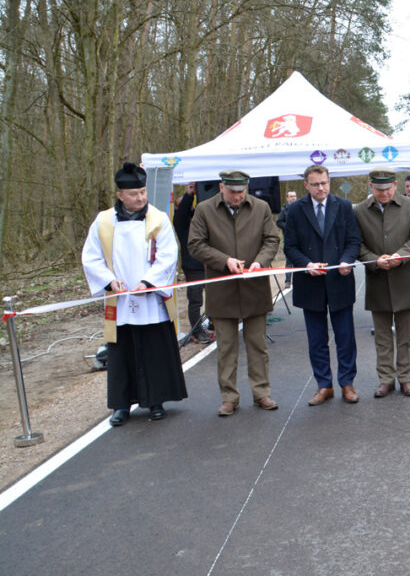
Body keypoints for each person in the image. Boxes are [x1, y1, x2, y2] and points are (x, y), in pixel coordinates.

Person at [81, 162, 188, 426]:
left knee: (153, 349)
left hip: (149, 298)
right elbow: (91, 257)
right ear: (120, 195)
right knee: (121, 351)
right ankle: (121, 405)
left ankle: (155, 401)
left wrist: (148, 282)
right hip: (120, 298)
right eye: (133, 194)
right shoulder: (104, 221)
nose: (140, 197)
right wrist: (109, 281)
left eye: (142, 192)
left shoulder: (158, 218)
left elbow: (168, 255)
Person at [188, 170, 280, 416]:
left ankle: (261, 392)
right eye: (233, 192)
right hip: (222, 289)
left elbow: (272, 239)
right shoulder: (205, 210)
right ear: (221, 188)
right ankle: (229, 397)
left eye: (242, 192)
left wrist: (260, 262)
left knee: (257, 345)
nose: (238, 197)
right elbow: (195, 244)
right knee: (226, 347)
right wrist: (224, 260)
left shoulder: (261, 207)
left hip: (255, 288)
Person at [284, 166, 363, 405]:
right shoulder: (295, 210)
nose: (321, 188)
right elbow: (290, 247)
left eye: (325, 183)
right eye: (316, 184)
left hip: (339, 280)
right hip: (311, 283)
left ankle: (347, 383)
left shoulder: (344, 206)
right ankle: (324, 385)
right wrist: (306, 264)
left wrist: (347, 260)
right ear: (306, 185)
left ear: (330, 182)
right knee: (316, 339)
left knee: (345, 336)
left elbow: (353, 240)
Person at [354, 169, 410, 396]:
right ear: (371, 187)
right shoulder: (360, 211)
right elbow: (357, 244)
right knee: (383, 336)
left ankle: (406, 378)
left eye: (387, 189)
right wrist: (374, 261)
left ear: (395, 185)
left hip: (404, 278)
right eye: (378, 189)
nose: (383, 193)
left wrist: (400, 256)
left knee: (405, 334)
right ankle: (386, 378)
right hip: (377, 281)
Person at [173, 182, 213, 343]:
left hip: (209, 263)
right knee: (196, 300)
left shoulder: (200, 218)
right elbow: (183, 212)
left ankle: (214, 323)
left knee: (215, 295)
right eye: (181, 202)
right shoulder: (181, 223)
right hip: (193, 266)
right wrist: (189, 195)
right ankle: (197, 331)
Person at [275, 190, 298, 284]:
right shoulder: (284, 209)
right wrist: (288, 227)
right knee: (289, 262)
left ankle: (299, 281)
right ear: (287, 198)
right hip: (289, 240)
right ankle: (288, 281)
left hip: (301, 240)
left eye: (294, 196)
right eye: (291, 196)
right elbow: (278, 222)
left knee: (299, 261)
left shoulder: (300, 208)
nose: (293, 198)